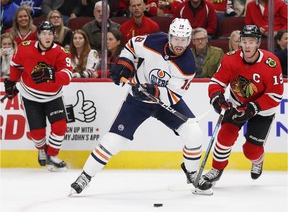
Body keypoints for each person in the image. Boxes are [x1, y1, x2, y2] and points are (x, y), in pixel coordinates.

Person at [70, 18, 213, 195]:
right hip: (137, 101)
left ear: (189, 40)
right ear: (169, 36)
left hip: (164, 103)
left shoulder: (187, 65)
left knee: (194, 133)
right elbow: (131, 46)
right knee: (114, 141)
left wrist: (152, 90)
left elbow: (174, 95)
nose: (179, 44)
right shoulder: (154, 41)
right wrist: (125, 63)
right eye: (176, 38)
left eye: (183, 40)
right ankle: (85, 176)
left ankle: (192, 173)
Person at [199, 25, 284, 190]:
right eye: (244, 41)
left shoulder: (271, 63)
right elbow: (217, 82)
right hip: (237, 104)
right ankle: (216, 169)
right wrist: (217, 97)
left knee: (250, 151)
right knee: (224, 136)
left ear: (258, 43)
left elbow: (276, 95)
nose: (247, 46)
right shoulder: (230, 58)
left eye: (251, 42)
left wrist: (253, 108)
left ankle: (258, 160)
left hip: (262, 111)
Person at [4, 21, 73, 171]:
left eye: (50, 33)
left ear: (54, 35)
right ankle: (42, 149)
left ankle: (52, 155)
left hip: (53, 96)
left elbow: (68, 76)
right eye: (44, 33)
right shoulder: (25, 47)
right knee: (37, 133)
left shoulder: (61, 52)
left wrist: (52, 75)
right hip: (30, 96)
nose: (47, 37)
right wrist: (12, 82)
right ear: (38, 36)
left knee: (60, 126)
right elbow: (16, 65)